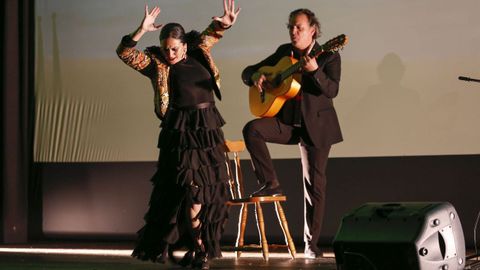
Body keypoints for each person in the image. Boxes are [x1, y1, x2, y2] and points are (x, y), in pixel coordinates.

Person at [116, 1, 240, 269]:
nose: (170, 53)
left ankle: (197, 247)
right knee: (192, 190)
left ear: (184, 45)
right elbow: (125, 52)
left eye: (174, 48)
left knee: (207, 193)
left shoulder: (198, 51)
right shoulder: (157, 65)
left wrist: (225, 24)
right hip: (182, 129)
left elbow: (214, 31)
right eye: (166, 49)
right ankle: (200, 248)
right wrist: (140, 30)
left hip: (207, 127)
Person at [241, 8, 342, 258]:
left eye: (298, 27)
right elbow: (247, 72)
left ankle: (311, 244)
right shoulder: (283, 53)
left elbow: (332, 91)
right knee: (252, 129)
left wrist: (315, 71)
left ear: (313, 30)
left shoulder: (329, 55)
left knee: (314, 186)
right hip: (287, 124)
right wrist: (256, 75)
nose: (293, 31)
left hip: (315, 128)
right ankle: (270, 182)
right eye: (291, 27)